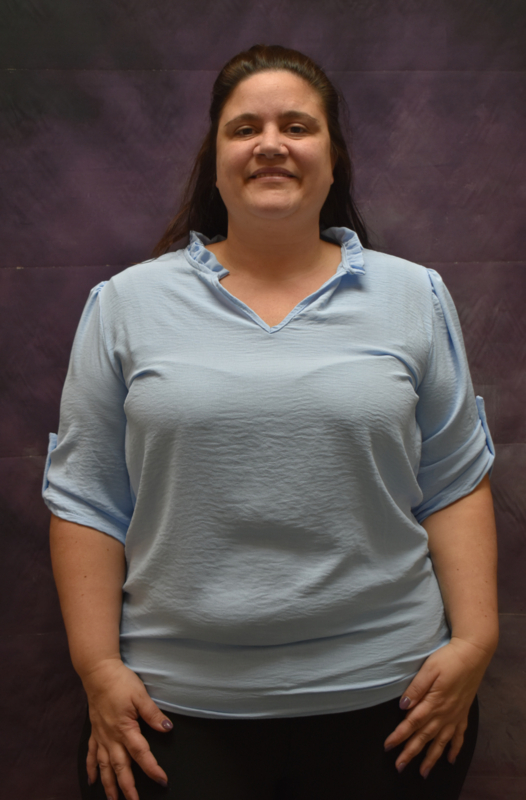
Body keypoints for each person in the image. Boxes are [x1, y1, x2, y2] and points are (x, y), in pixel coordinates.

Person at [43, 44, 498, 800]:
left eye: (297, 126)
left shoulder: (414, 295)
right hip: (171, 714)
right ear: (215, 160)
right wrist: (98, 669)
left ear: (333, 157)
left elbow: (453, 480)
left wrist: (477, 641)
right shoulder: (124, 304)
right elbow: (87, 499)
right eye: (245, 128)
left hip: (396, 708)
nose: (271, 144)